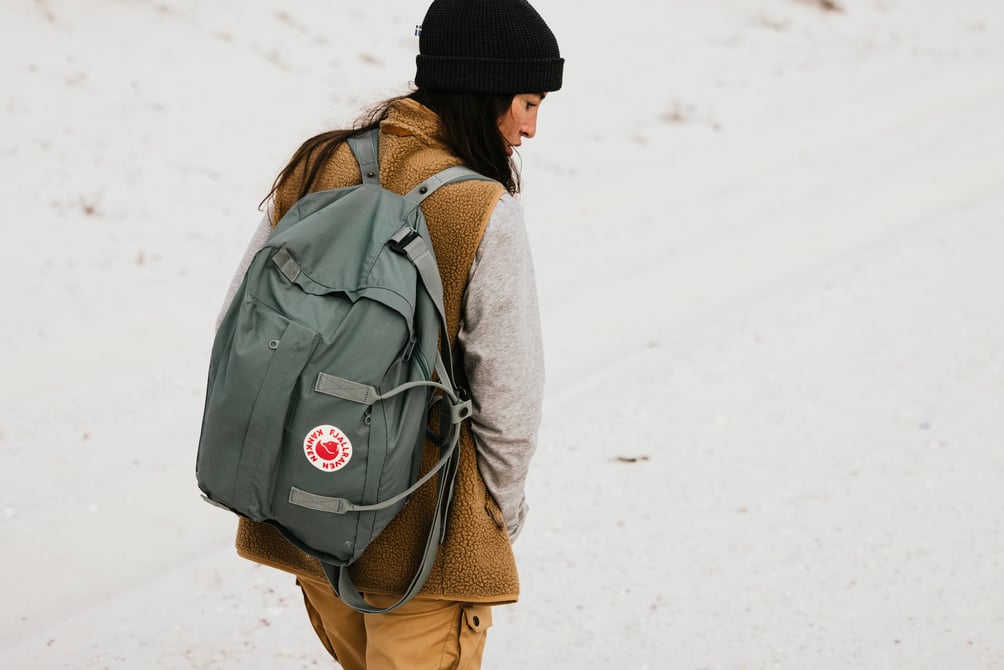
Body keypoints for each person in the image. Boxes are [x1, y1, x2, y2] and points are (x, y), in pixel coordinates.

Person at [217, 1, 563, 668]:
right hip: (423, 543)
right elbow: (510, 395)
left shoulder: (319, 166)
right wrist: (496, 517)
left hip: (309, 508)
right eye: (527, 101)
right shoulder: (479, 206)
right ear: (483, 88)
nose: (531, 127)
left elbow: (241, 322)